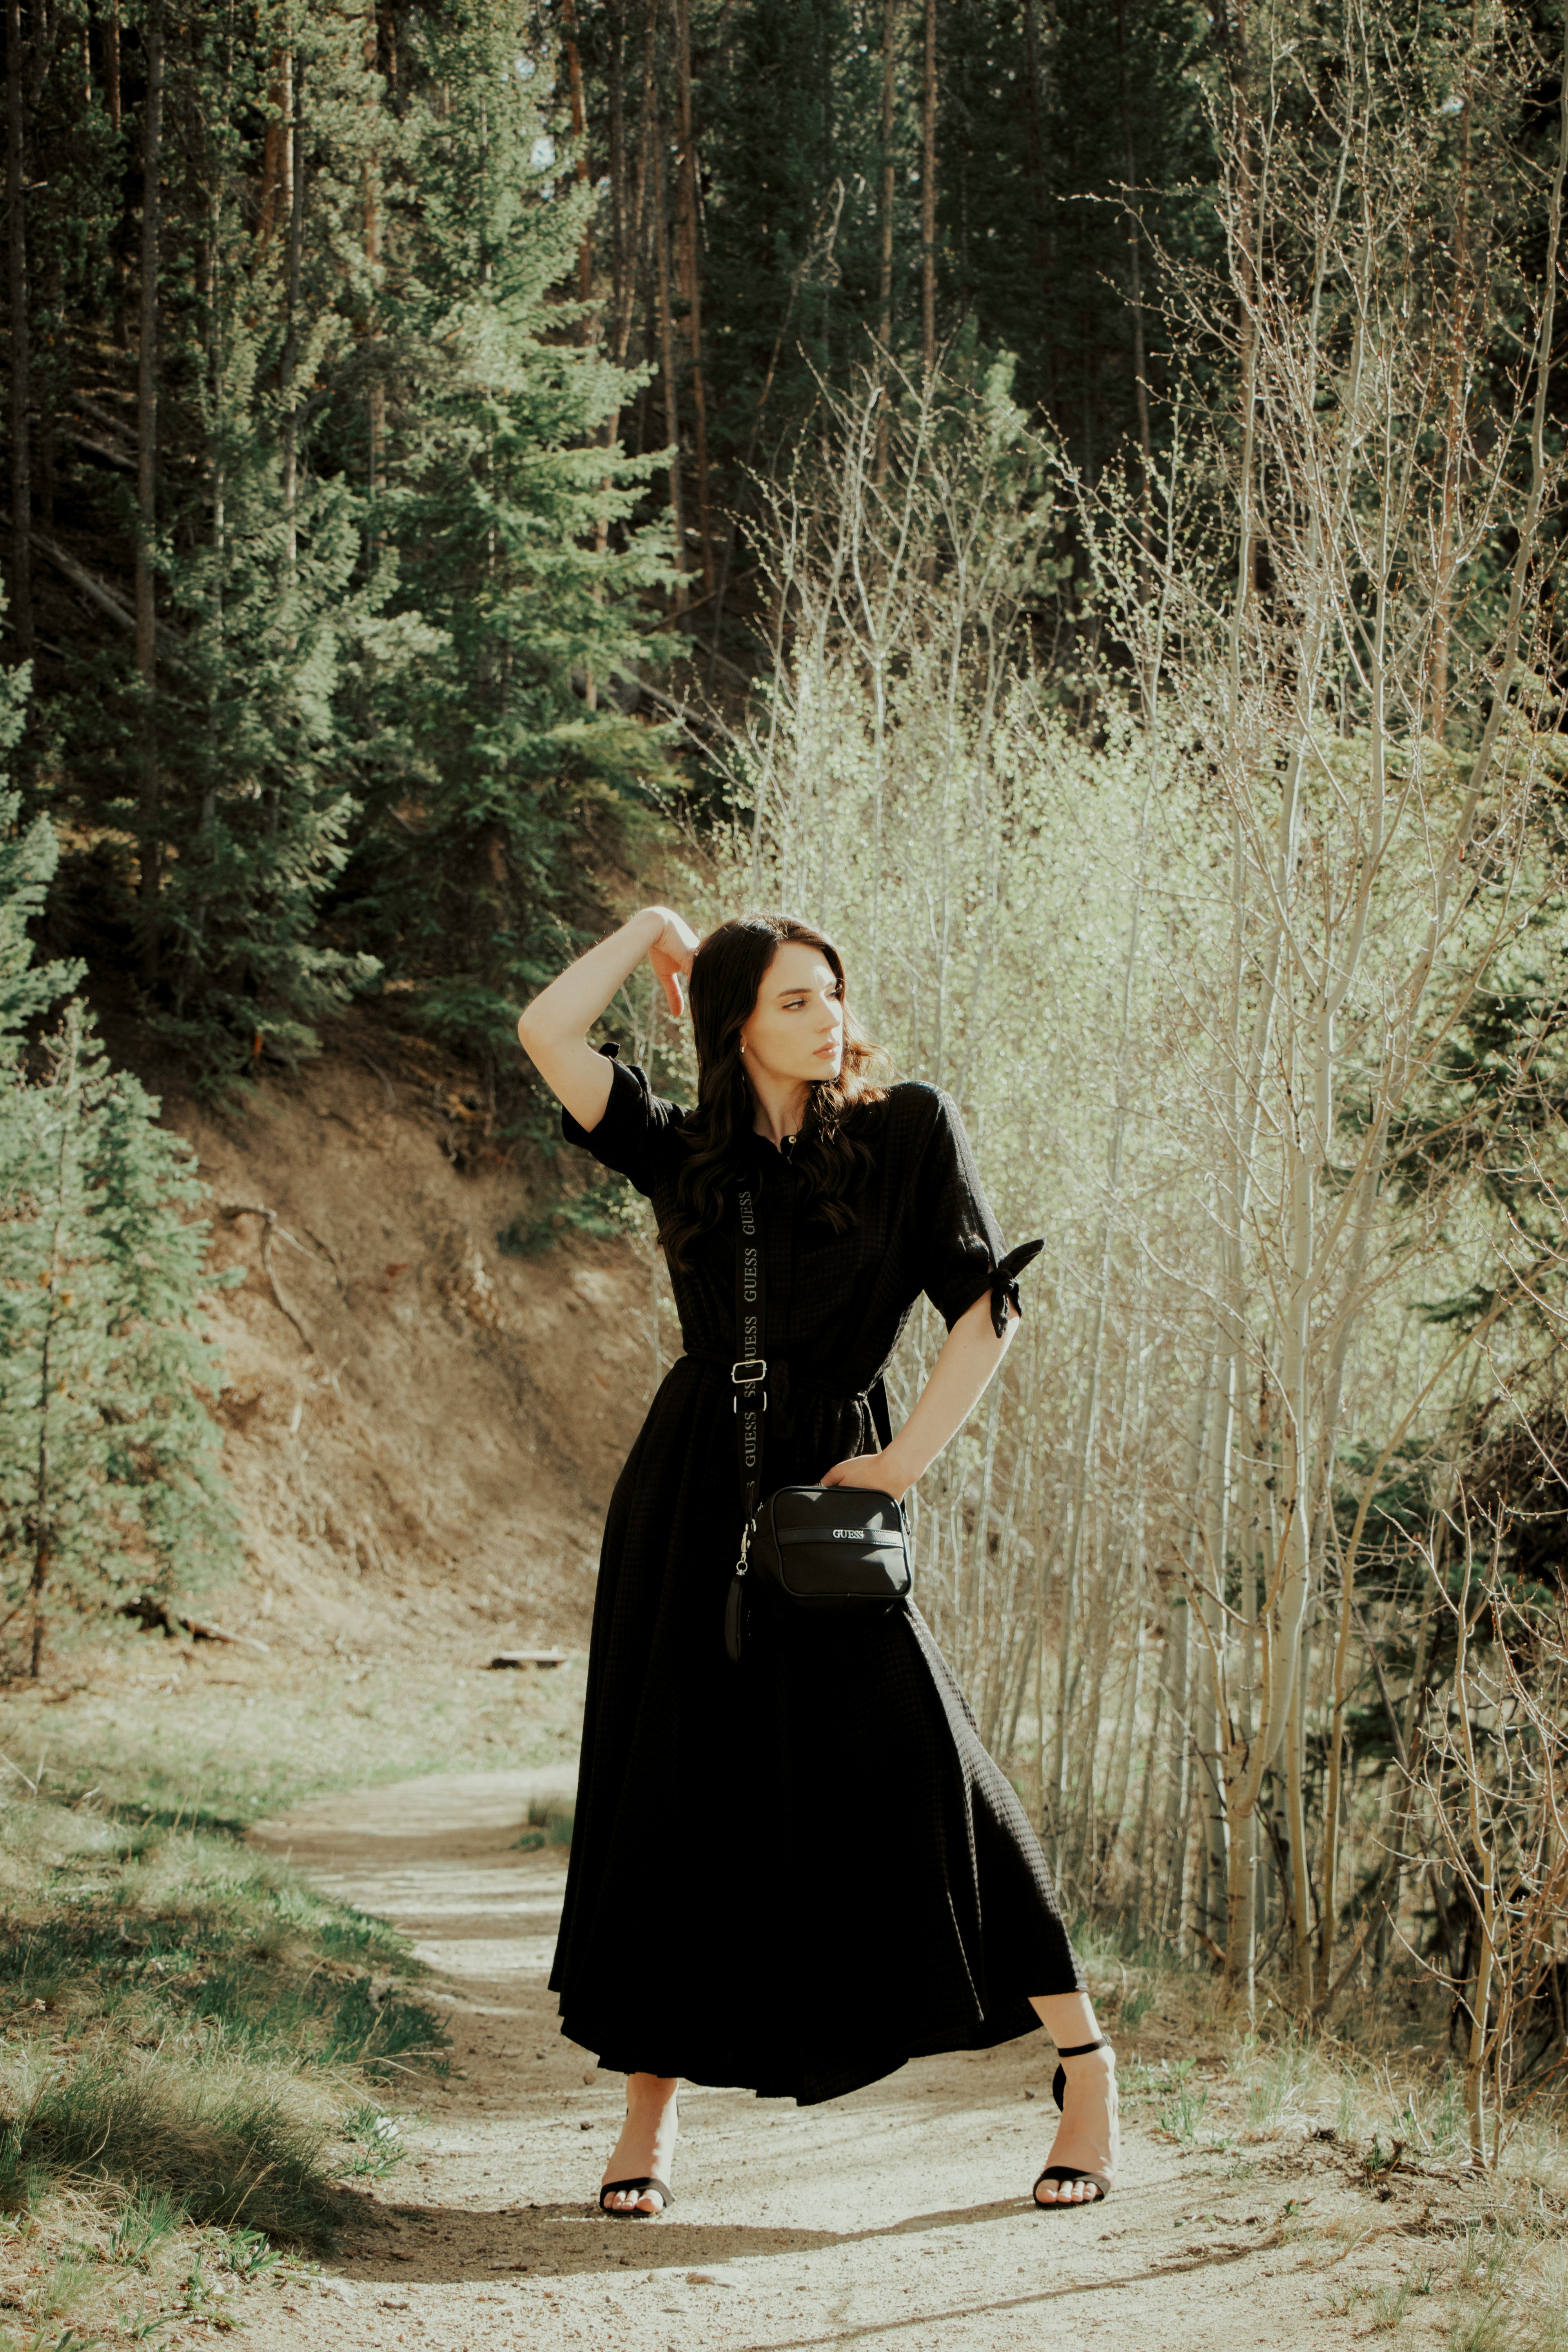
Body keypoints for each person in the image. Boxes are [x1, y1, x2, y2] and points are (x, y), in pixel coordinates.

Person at [517, 906, 1119, 2217]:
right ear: (732, 1018)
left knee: (926, 1756)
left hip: (831, 1502)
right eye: (793, 998)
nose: (827, 1016)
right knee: (676, 1793)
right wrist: (653, 931)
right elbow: (545, 1030)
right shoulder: (685, 1152)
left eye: (832, 992)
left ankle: (1084, 2065)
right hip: (686, 1502)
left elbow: (984, 1309)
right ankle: (647, 2125)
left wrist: (902, 1466)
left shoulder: (905, 1130)